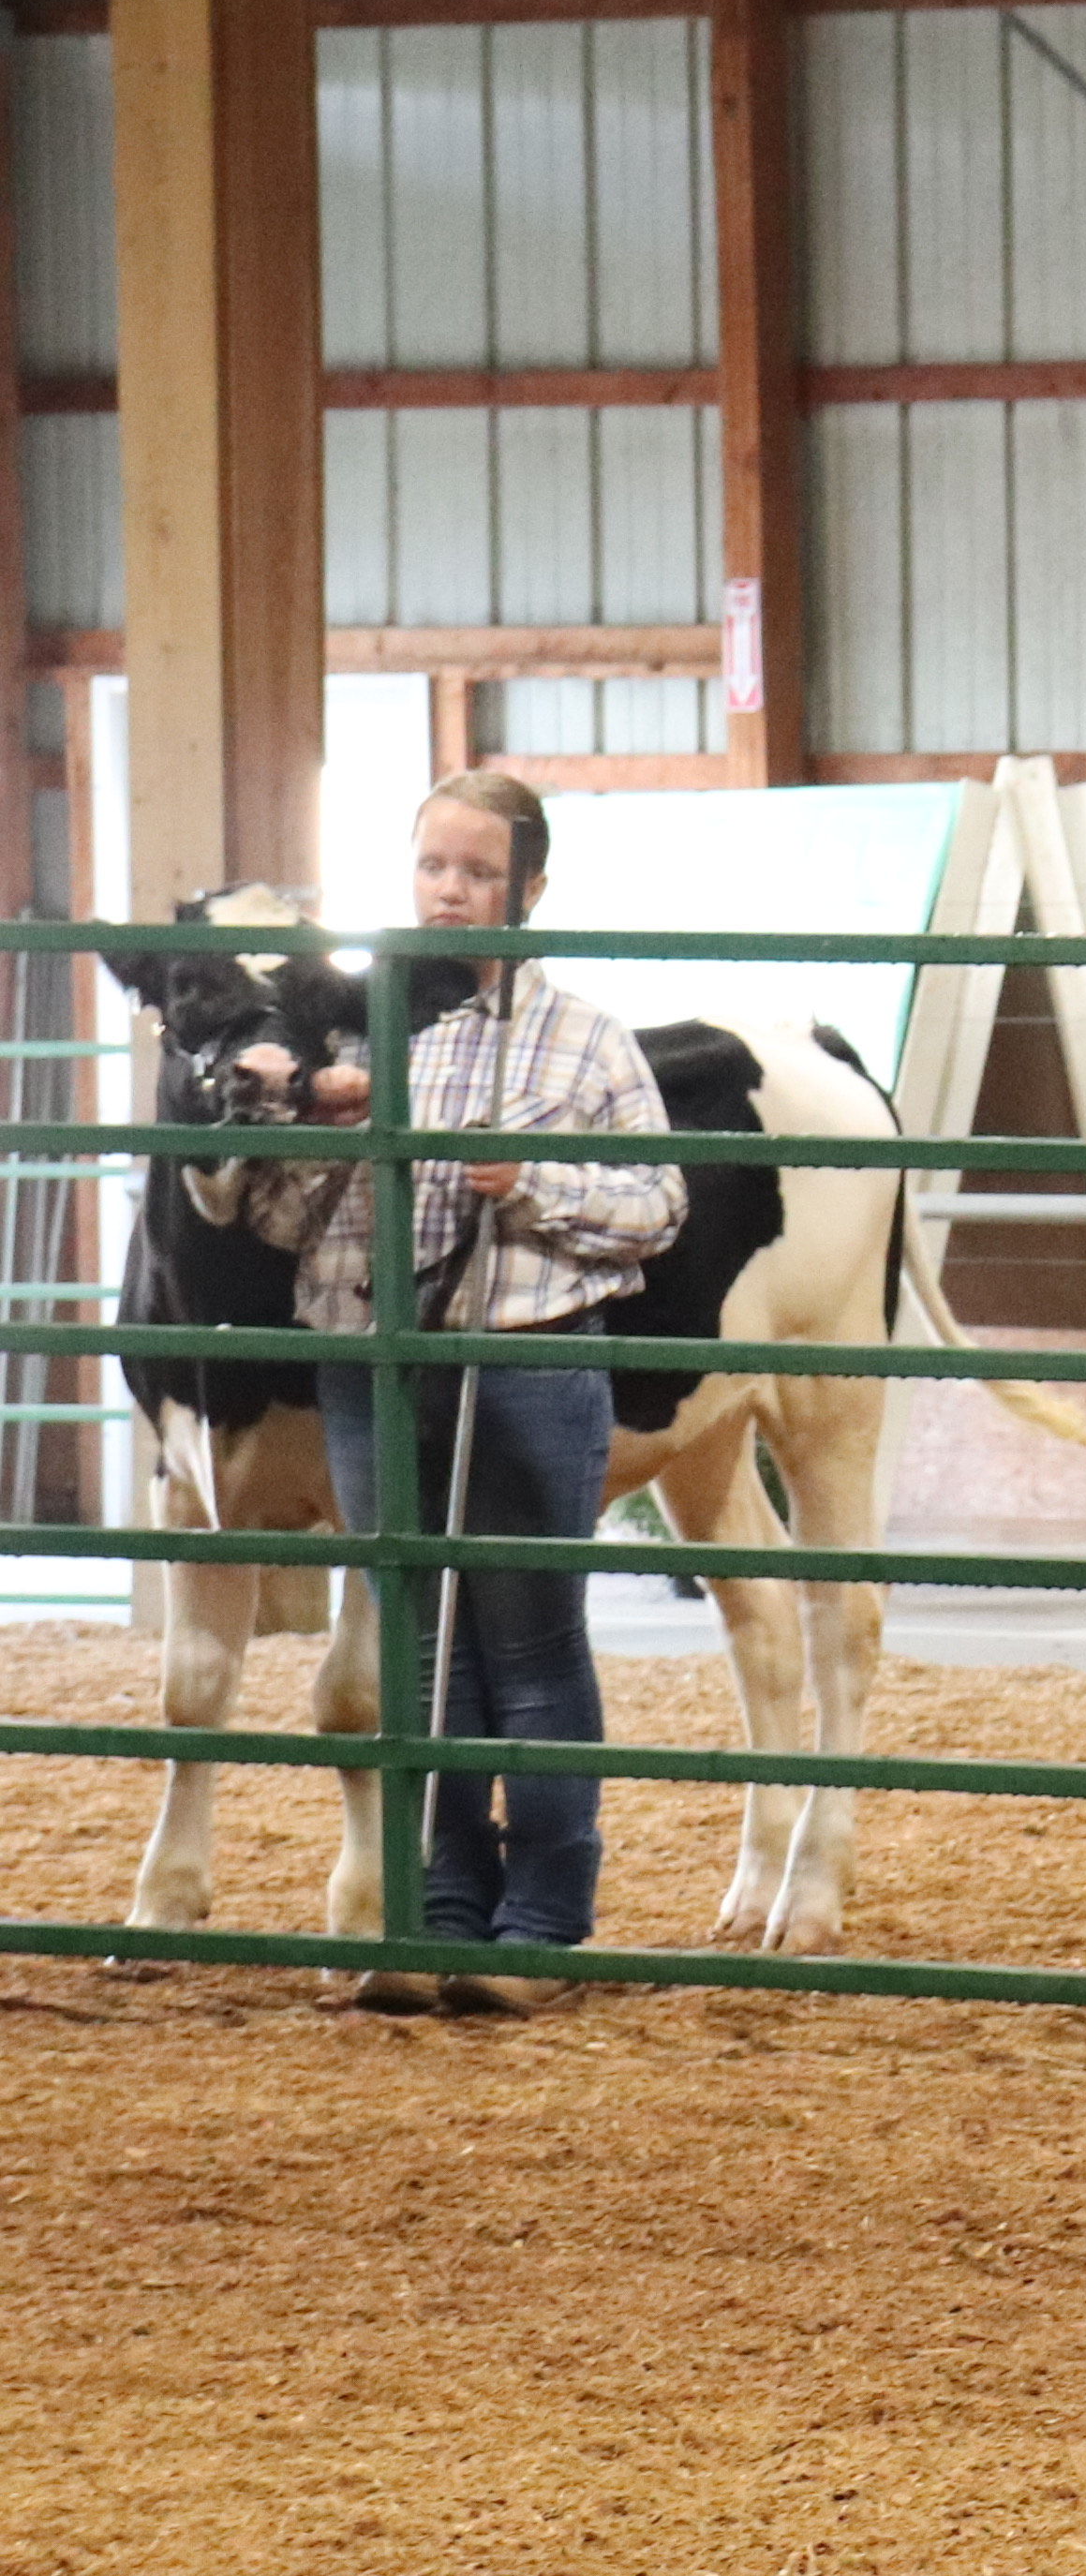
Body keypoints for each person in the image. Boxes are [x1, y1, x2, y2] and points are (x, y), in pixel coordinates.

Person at [237, 771, 682, 2014]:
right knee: (417, 1643)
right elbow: (271, 1214)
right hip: (370, 1360)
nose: (450, 890)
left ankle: (540, 1927)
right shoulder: (356, 1027)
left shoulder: (585, 1038)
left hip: (524, 1356)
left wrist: (528, 1180)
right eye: (434, 865)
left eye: (479, 872)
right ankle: (440, 1912)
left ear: (528, 891)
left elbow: (659, 1206)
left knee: (530, 1643)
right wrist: (307, 1124)